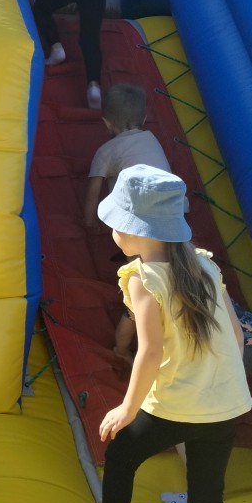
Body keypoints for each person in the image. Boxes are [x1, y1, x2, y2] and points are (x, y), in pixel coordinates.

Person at [77, 165, 252, 503]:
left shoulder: (143, 278)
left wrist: (126, 408)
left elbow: (150, 352)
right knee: (207, 500)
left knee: (121, 457)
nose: (112, 230)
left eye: (116, 222)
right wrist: (218, 386)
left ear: (134, 230)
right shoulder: (205, 265)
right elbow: (236, 337)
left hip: (175, 406)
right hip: (225, 406)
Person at [84, 83, 175, 363]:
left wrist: (89, 222)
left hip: (137, 225)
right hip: (171, 217)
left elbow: (93, 193)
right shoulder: (152, 140)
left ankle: (121, 350)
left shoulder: (106, 150)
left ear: (106, 123)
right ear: (144, 119)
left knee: (138, 295)